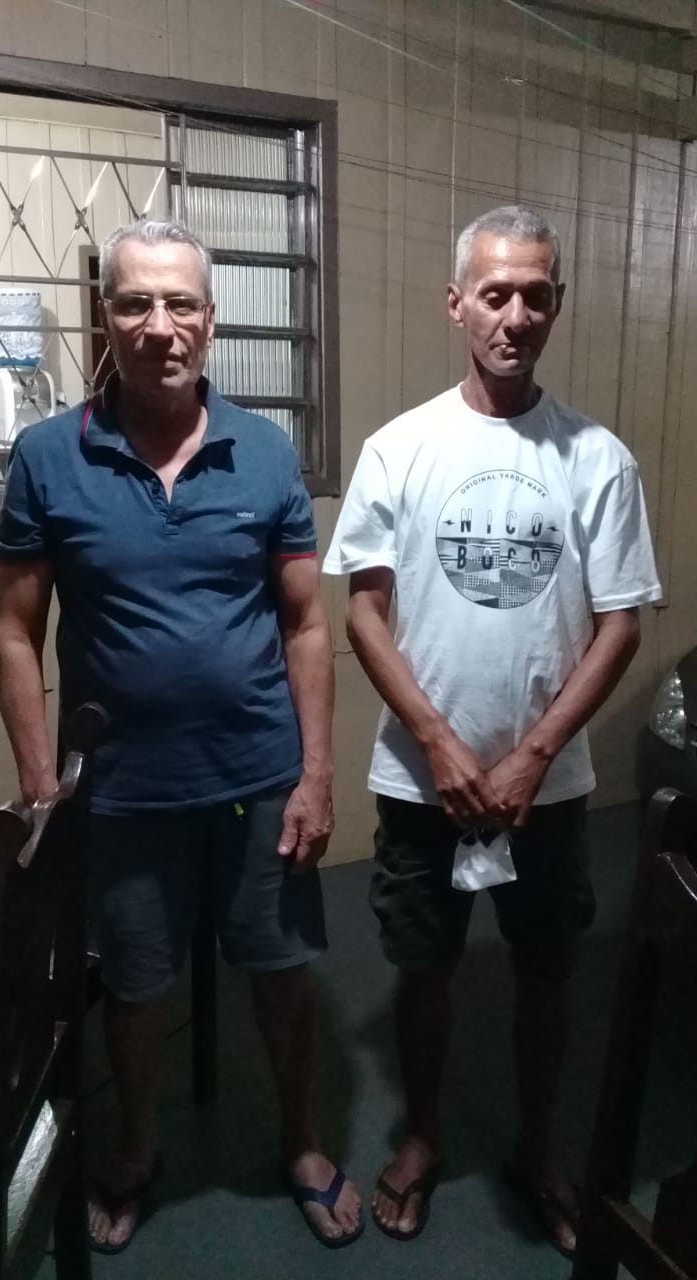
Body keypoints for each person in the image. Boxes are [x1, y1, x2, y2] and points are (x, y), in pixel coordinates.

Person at [0, 218, 362, 1254]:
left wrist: (317, 773)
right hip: (121, 792)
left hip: (257, 779)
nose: (161, 325)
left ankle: (301, 1138)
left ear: (211, 316)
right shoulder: (48, 457)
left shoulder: (266, 451)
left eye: (182, 302)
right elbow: (16, 630)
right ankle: (138, 1142)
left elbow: (307, 624)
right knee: (138, 985)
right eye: (135, 302)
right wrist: (43, 785)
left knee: (283, 970)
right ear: (104, 316)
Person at [323, 205, 661, 1256]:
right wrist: (436, 739)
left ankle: (535, 1145)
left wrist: (533, 754)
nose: (515, 316)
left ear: (557, 305)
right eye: (495, 293)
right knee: (423, 966)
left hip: (544, 789)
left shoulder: (596, 458)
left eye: (536, 296)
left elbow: (620, 623)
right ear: (456, 302)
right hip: (421, 778)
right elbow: (364, 611)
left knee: (547, 971)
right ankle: (424, 1133)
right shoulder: (401, 447)